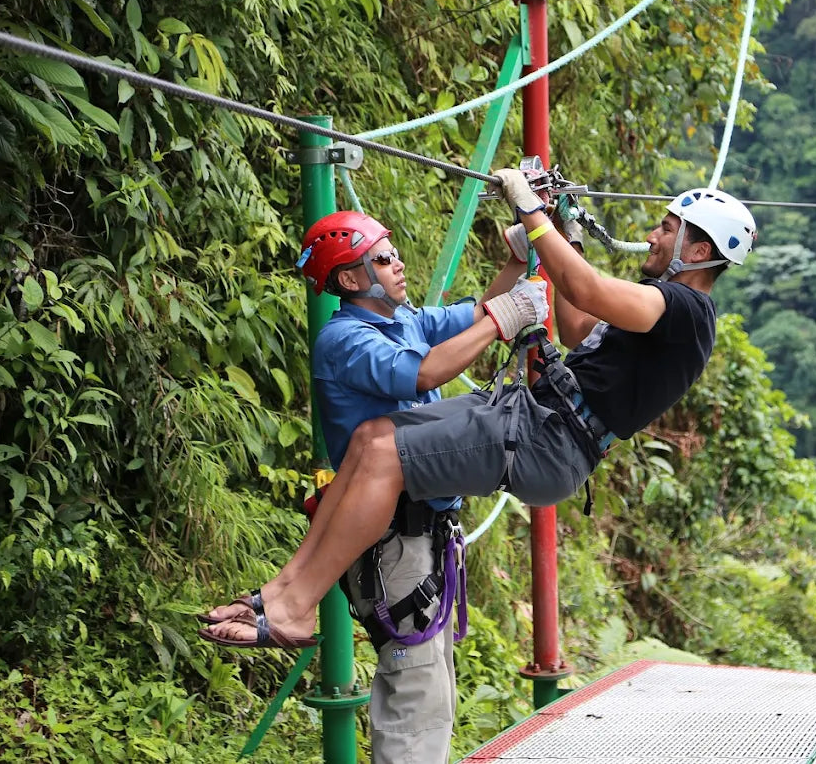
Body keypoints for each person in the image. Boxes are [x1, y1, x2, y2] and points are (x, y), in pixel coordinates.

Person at [198, 170, 756, 654]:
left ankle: (297, 606)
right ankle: (280, 595)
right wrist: (561, 235)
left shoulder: (683, 307)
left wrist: (533, 212)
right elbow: (582, 325)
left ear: (698, 251)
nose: (654, 236)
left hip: (548, 437)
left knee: (384, 455)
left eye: (667, 228)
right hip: (540, 424)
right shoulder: (664, 307)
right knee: (371, 439)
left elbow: (584, 289)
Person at [199, 210, 549, 762]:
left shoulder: (402, 321)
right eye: (383, 259)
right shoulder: (345, 340)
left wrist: (511, 266)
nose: (398, 263)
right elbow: (426, 373)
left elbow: (471, 319)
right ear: (351, 279)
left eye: (393, 251)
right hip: (392, 542)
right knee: (416, 699)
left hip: (417, 535)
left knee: (429, 693)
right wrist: (505, 320)